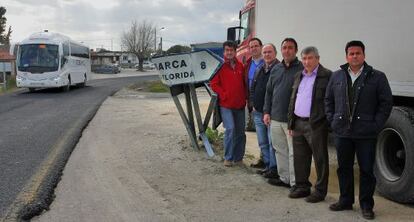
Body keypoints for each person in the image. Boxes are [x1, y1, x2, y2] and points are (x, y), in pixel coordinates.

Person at [325, 40, 393, 220]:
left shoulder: (377, 76)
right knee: (344, 168)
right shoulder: (337, 76)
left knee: (366, 170)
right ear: (346, 56)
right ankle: (345, 200)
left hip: (366, 133)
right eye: (351, 53)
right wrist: (333, 121)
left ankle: (366, 205)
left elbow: (386, 103)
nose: (354, 56)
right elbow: (328, 101)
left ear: (364, 55)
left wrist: (375, 124)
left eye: (358, 53)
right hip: (342, 132)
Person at [287, 46, 331, 203]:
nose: (307, 61)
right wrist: (291, 123)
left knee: (320, 159)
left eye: (310, 58)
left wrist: (326, 122)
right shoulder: (299, 75)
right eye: (304, 58)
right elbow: (293, 99)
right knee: (300, 158)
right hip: (298, 122)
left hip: (316, 124)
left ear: (317, 58)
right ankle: (302, 187)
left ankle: (320, 191)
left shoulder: (327, 76)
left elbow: (330, 102)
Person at [263, 38, 303, 188]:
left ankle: (295, 182)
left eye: (290, 48)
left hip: (292, 120)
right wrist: (267, 112)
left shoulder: (301, 68)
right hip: (275, 118)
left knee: (294, 152)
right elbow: (269, 92)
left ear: (296, 50)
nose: (287, 50)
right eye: (284, 48)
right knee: (280, 150)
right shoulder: (276, 68)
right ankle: (284, 178)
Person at [210, 40, 247, 167]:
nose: (229, 52)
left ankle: (238, 158)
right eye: (227, 50)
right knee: (230, 129)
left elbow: (244, 84)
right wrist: (224, 95)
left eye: (232, 50)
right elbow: (214, 84)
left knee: (241, 132)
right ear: (224, 51)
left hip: (240, 105)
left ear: (235, 51)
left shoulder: (241, 66)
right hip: (226, 105)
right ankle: (228, 157)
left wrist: (245, 98)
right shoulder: (219, 66)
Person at [249, 43, 279, 178]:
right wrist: (253, 104)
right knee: (263, 142)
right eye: (265, 52)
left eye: (269, 52)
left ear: (275, 53)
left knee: (272, 142)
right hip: (258, 112)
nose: (267, 55)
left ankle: (274, 168)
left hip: (271, 114)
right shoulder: (260, 68)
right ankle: (267, 165)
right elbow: (253, 88)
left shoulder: (279, 69)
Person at [245, 38, 264, 134]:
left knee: (270, 138)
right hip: (254, 106)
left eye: (256, 46)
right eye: (251, 47)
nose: (254, 48)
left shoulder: (269, 62)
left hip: (267, 106)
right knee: (261, 138)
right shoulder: (247, 64)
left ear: (261, 47)